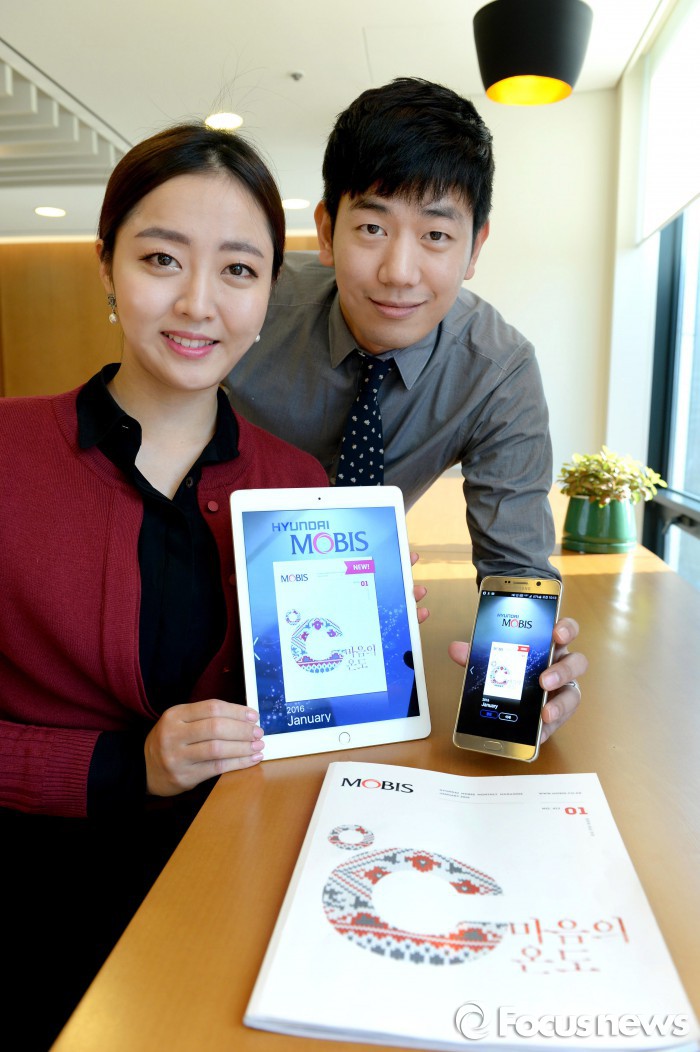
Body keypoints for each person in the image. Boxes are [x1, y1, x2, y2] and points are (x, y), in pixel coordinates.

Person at [0, 122, 327, 1049]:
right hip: (40, 904)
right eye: (160, 258)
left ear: (267, 294)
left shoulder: (298, 486)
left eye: (237, 270)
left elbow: (317, 729)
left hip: (241, 896)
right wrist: (122, 768)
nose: (197, 303)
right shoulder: (8, 454)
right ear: (106, 266)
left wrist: (396, 659)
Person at [228, 77, 586, 738]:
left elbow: (516, 571)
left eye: (436, 235)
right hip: (211, 600)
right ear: (326, 231)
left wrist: (523, 684)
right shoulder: (251, 306)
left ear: (475, 248)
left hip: (350, 642)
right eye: (372, 227)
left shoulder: (497, 370)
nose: (399, 271)